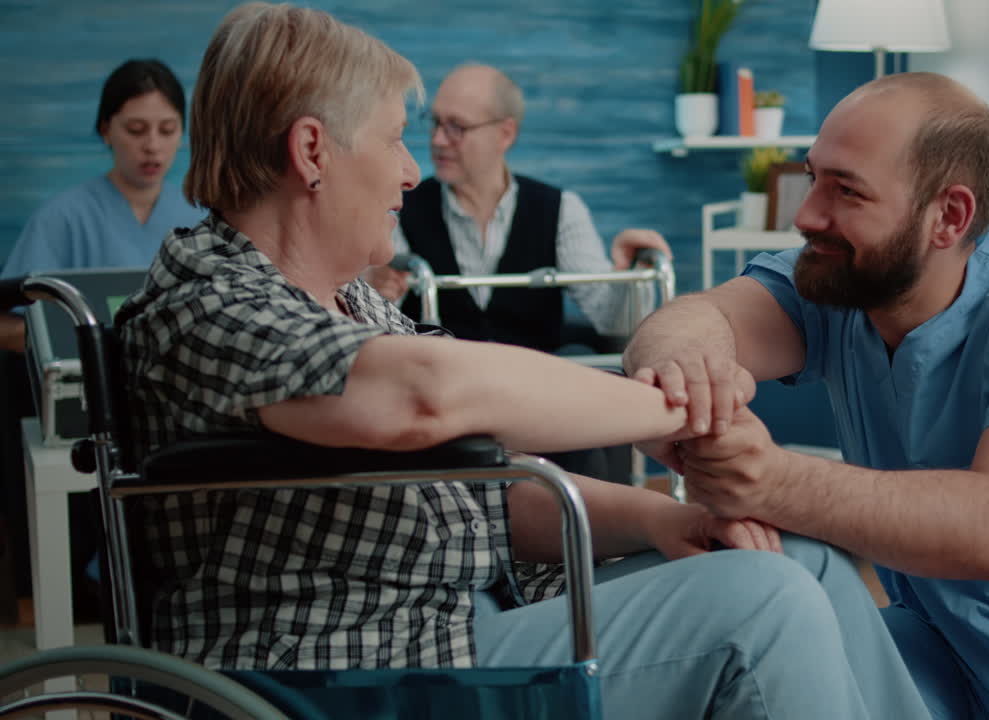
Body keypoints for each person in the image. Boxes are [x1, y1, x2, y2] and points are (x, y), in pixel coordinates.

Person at [115, 5, 930, 718]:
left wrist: (666, 519)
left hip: (462, 619)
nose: (411, 170)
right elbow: (424, 397)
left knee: (806, 563)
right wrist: (680, 411)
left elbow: (495, 489)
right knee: (766, 604)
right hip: (342, 664)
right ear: (312, 152)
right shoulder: (209, 298)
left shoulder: (352, 301)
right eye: (400, 138)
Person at [623, 72, 989, 719]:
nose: (806, 215)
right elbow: (695, 321)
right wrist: (681, 376)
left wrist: (769, 481)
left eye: (846, 191)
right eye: (813, 177)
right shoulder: (836, 281)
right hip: (947, 656)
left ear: (949, 216)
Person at [369, 63, 670, 354]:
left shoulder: (562, 210)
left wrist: (630, 273)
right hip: (440, 392)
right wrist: (377, 289)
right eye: (435, 122)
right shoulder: (400, 207)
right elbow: (374, 326)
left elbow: (611, 320)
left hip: (536, 394)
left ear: (506, 134)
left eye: (456, 127)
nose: (437, 139)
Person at [0, 58, 202, 353]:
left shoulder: (199, 220)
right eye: (136, 129)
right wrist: (86, 352)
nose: (152, 146)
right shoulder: (62, 219)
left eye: (168, 130)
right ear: (106, 129)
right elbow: (5, 325)